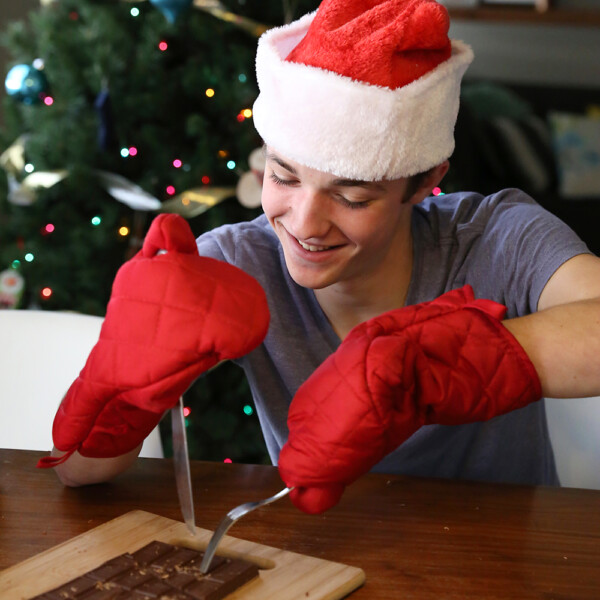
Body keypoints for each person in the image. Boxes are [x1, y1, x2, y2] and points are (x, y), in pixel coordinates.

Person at [44, 0, 600, 513]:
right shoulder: (235, 265)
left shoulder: (495, 236)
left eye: (352, 196)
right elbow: (77, 474)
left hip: (507, 563)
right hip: (316, 561)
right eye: (283, 176)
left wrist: (435, 367)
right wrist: (125, 393)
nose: (304, 224)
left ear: (424, 182)